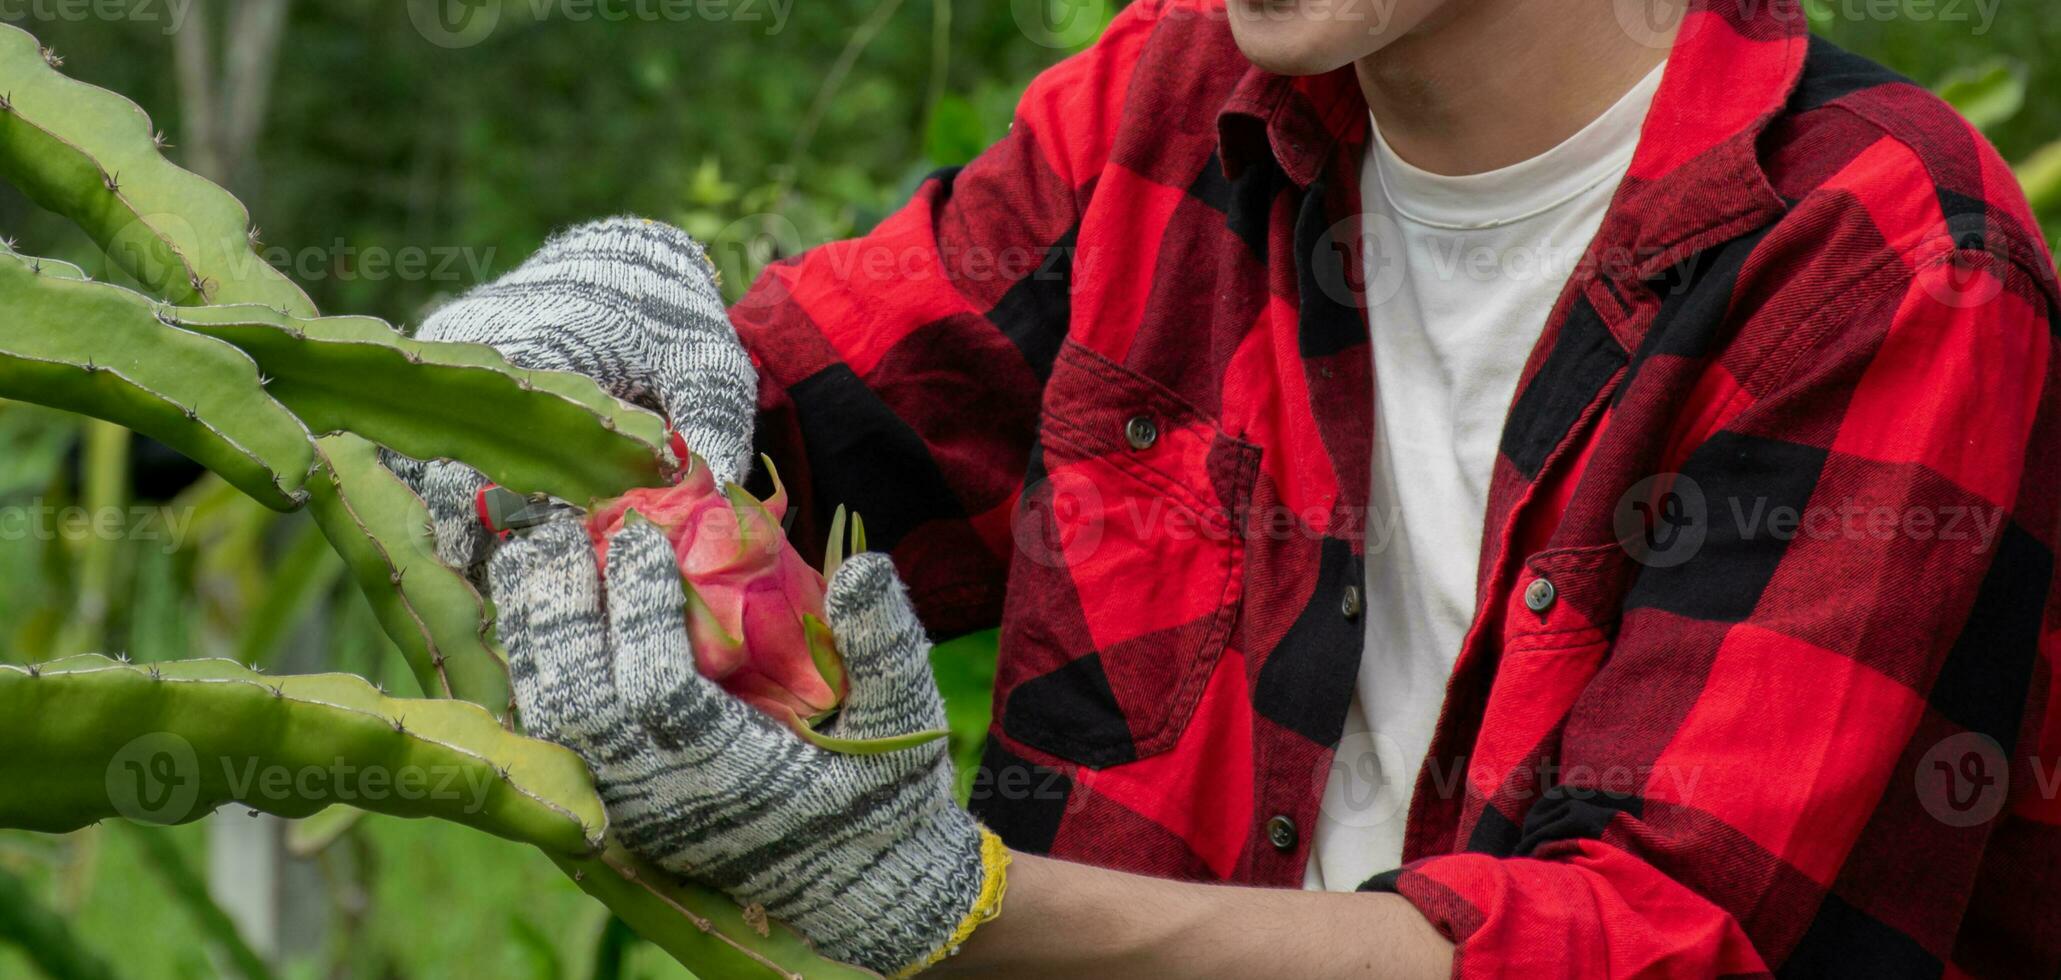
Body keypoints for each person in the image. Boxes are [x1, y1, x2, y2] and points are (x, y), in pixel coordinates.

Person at [391, 0, 2061, 975]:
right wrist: (550, 387)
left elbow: (1644, 939)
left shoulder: (1881, 250)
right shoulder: (1169, 105)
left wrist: (961, 906)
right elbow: (775, 434)